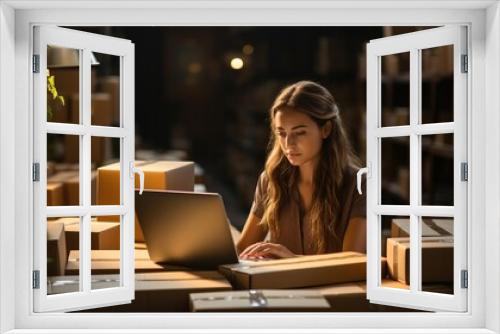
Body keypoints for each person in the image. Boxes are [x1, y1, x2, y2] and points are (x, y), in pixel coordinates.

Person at [236, 80, 366, 260]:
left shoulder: (360, 184)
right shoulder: (270, 180)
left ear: (326, 129)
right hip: (279, 287)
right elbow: (242, 249)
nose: (288, 144)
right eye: (282, 133)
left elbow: (352, 261)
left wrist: (290, 259)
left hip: (336, 288)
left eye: (300, 132)